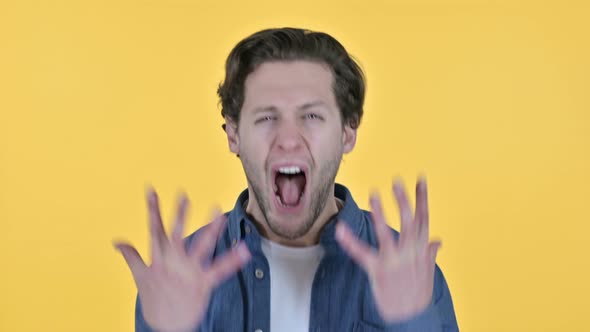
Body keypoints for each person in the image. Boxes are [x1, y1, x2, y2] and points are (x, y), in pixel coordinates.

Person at [114, 27, 459, 332]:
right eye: (266, 117)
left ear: (347, 132)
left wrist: (411, 324)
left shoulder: (411, 274)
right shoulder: (178, 275)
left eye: (311, 115)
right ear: (234, 134)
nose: (289, 139)